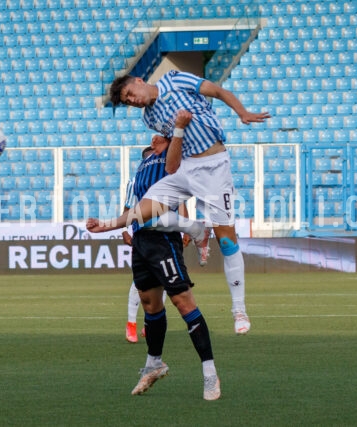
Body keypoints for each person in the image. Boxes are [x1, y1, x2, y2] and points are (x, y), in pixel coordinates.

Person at [96, 70, 271, 334]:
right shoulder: (150, 118)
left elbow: (218, 91)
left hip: (214, 166)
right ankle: (111, 224)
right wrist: (168, 142)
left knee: (226, 240)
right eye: (127, 101)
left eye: (130, 94)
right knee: (151, 212)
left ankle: (239, 310)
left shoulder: (174, 80)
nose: (132, 100)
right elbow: (173, 160)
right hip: (185, 167)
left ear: (140, 81)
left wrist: (242, 112)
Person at [88, 141, 221, 400]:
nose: (152, 142)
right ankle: (154, 364)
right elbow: (133, 210)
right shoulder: (141, 172)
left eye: (158, 139)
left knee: (183, 302)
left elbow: (172, 199)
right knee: (150, 304)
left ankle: (210, 373)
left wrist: (186, 225)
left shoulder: (172, 164)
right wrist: (118, 228)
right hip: (141, 242)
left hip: (163, 240)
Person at [123, 136, 208, 343]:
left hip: (166, 232)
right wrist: (125, 230)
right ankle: (131, 324)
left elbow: (179, 203)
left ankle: (147, 325)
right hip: (144, 232)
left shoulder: (168, 176)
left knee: (162, 282)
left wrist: (185, 228)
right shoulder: (135, 181)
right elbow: (128, 207)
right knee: (139, 284)